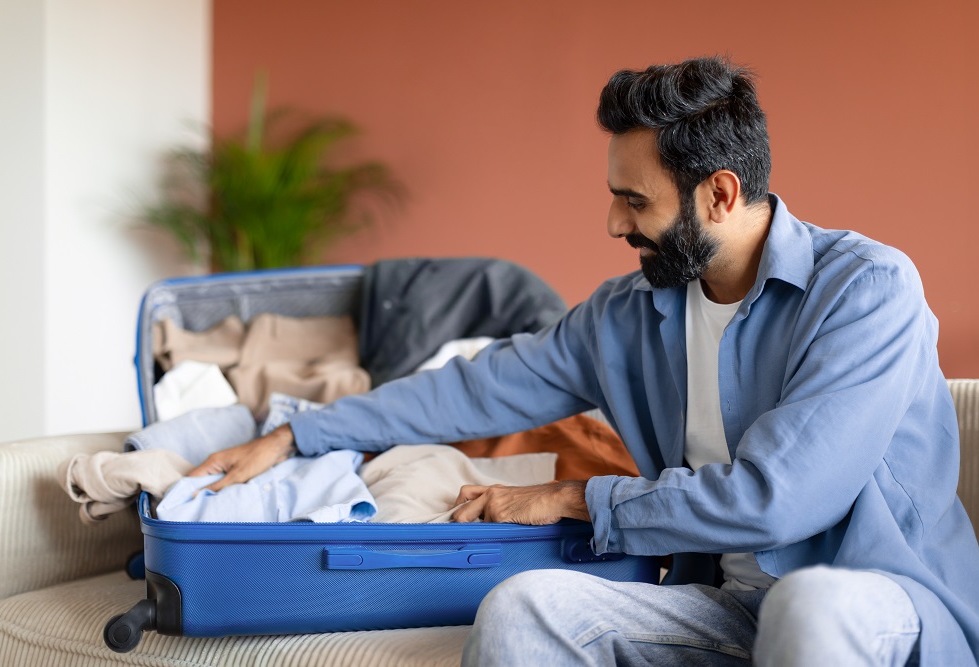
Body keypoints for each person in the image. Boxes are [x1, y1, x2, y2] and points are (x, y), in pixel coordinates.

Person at [188, 56, 979, 666]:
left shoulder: (867, 290)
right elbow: (477, 386)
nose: (612, 221)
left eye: (635, 201)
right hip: (729, 610)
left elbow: (776, 500)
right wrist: (299, 435)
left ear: (721, 195)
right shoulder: (628, 314)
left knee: (807, 606)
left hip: (876, 608)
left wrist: (577, 497)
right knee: (521, 606)